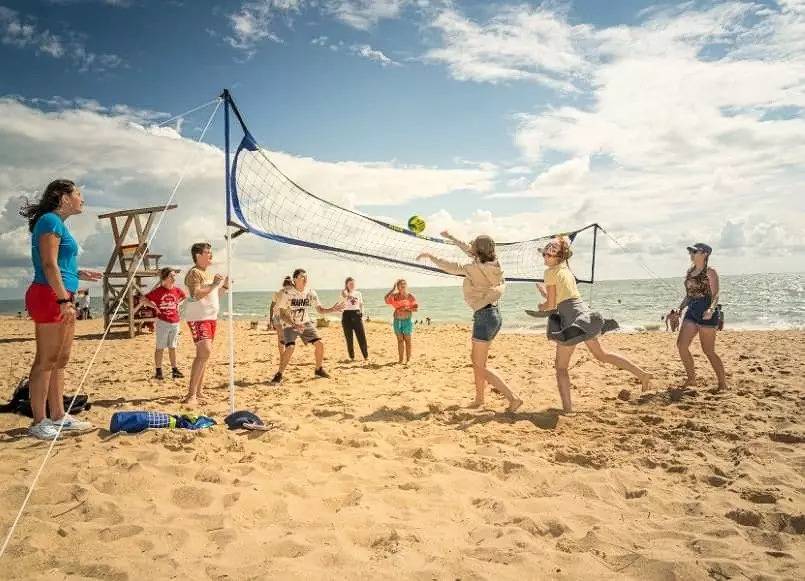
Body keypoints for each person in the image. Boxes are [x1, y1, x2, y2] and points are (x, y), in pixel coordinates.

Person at [20, 179, 102, 439]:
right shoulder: (49, 221)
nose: (82, 199)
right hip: (49, 295)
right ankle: (39, 420)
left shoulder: (58, 225)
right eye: (78, 193)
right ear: (63, 197)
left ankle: (58, 415)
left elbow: (59, 263)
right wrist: (63, 300)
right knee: (46, 360)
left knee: (60, 359)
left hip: (62, 293)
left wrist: (78, 273)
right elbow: (47, 264)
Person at [538, 236, 651, 413]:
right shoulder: (565, 269)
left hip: (571, 320)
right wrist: (546, 293)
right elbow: (563, 297)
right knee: (601, 354)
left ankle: (568, 409)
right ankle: (643, 375)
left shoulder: (550, 272)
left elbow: (552, 305)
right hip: (585, 314)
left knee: (561, 367)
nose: (544, 256)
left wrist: (542, 304)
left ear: (557, 257)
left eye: (548, 254)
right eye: (544, 253)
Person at [418, 232, 522, 412]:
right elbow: (469, 249)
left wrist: (431, 257)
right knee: (477, 361)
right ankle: (480, 399)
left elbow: (450, 266)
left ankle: (513, 398)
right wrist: (451, 237)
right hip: (493, 315)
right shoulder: (494, 263)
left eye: (473, 245)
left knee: (479, 365)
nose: (470, 246)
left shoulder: (472, 268)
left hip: (484, 317)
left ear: (477, 252)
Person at [270, 269, 342, 384]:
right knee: (290, 348)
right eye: (302, 277)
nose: (305, 279)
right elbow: (282, 314)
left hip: (305, 322)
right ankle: (279, 374)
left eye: (306, 276)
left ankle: (318, 369)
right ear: (295, 280)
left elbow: (320, 309)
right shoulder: (286, 293)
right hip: (289, 324)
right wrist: (294, 324)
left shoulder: (310, 293)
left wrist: (331, 309)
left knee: (320, 345)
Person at [183, 242, 229, 404]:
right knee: (204, 352)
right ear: (198, 256)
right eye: (207, 253)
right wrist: (215, 285)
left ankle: (199, 392)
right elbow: (195, 295)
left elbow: (215, 296)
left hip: (211, 318)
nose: (211, 255)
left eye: (211, 252)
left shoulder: (207, 274)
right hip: (198, 318)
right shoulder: (194, 273)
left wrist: (224, 286)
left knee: (205, 355)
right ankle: (191, 395)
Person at [677, 243, 726, 390]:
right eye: (690, 251)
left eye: (694, 251)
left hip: (707, 314)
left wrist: (711, 309)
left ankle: (722, 383)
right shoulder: (690, 272)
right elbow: (689, 296)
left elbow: (716, 295)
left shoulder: (710, 272)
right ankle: (692, 379)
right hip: (691, 312)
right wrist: (679, 308)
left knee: (708, 351)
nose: (691, 254)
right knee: (681, 345)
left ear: (704, 254)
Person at [141, 267, 187, 380]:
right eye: (171, 276)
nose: (173, 278)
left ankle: (174, 370)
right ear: (165, 278)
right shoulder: (158, 291)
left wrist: (178, 304)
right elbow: (143, 299)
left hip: (175, 322)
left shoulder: (177, 290)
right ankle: (158, 371)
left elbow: (184, 297)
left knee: (173, 347)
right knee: (160, 347)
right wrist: (154, 307)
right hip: (163, 322)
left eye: (174, 276)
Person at [384, 279, 418, 364]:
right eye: (401, 284)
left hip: (407, 321)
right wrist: (392, 289)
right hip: (397, 321)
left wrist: (406, 308)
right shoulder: (394, 296)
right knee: (400, 340)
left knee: (408, 340)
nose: (403, 285)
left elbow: (416, 309)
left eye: (404, 284)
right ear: (398, 287)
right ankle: (400, 360)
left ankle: (408, 360)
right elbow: (386, 300)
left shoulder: (410, 296)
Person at [341, 277, 369, 361]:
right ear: (347, 285)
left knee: (361, 336)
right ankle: (352, 357)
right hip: (346, 315)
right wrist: (347, 292)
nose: (352, 285)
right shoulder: (344, 292)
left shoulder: (358, 293)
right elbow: (345, 295)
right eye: (350, 284)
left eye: (353, 283)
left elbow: (361, 305)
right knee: (349, 338)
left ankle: (365, 356)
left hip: (356, 314)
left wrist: (362, 313)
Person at [269, 276, 293, 359]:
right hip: (285, 318)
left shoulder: (277, 293)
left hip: (277, 317)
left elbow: (272, 306)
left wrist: (270, 319)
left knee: (280, 337)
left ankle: (282, 355)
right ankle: (285, 355)